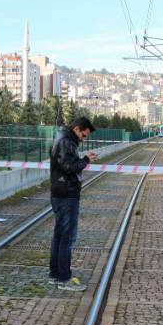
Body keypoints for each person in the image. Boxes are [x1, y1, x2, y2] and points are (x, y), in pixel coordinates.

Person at [49, 117, 97, 292]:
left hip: (61, 193)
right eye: (83, 135)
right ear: (77, 129)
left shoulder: (62, 139)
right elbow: (69, 167)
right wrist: (85, 160)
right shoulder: (66, 142)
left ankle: (55, 274)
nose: (83, 139)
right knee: (66, 238)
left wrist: (83, 158)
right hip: (66, 195)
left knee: (59, 236)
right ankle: (63, 278)